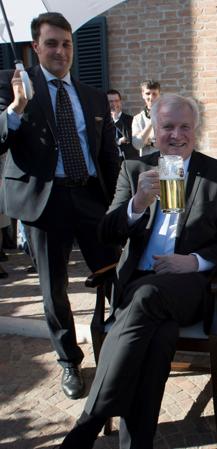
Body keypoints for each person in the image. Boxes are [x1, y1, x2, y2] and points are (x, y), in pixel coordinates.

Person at [60, 93, 217, 449]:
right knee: (158, 339)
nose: (176, 135)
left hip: (189, 285)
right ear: (154, 130)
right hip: (139, 283)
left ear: (196, 130)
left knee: (146, 299)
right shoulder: (134, 169)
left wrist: (192, 262)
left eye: (184, 127)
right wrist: (136, 205)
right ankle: (137, 444)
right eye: (168, 127)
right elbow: (106, 233)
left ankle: (89, 422)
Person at [0, 12, 120, 399]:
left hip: (88, 196)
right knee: (54, 290)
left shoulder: (91, 95)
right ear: (35, 48)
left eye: (66, 43)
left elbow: (107, 157)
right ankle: (69, 360)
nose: (60, 51)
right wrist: (16, 108)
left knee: (116, 270)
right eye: (51, 43)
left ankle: (122, 346)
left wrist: (119, 200)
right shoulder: (13, 87)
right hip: (44, 203)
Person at [107, 89, 138, 160]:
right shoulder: (104, 122)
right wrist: (119, 141)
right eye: (110, 101)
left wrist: (117, 120)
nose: (114, 104)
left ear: (120, 102)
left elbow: (130, 139)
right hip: (112, 161)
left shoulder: (131, 119)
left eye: (116, 101)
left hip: (129, 160)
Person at [132, 79, 160, 157]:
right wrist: (151, 121)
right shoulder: (137, 119)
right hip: (147, 163)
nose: (151, 97)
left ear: (159, 95)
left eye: (154, 94)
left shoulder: (168, 115)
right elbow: (137, 145)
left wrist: (147, 141)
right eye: (148, 93)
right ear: (143, 95)